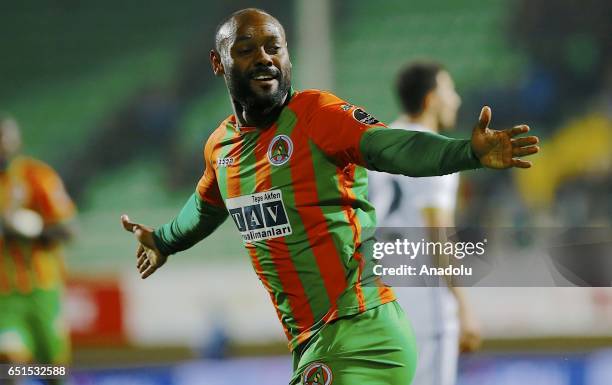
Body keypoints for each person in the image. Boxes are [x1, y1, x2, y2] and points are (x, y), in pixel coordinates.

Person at [121, 8, 539, 385]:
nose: (264, 57)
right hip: (313, 344)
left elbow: (392, 147)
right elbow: (205, 207)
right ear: (219, 63)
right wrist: (163, 241)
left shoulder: (316, 114)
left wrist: (467, 153)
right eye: (246, 49)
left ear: (288, 58)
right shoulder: (221, 148)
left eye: (274, 47)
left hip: (362, 334)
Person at [369, 61, 481, 385]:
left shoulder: (377, 146)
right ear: (432, 99)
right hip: (424, 305)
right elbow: (437, 234)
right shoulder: (434, 152)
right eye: (450, 90)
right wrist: (462, 305)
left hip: (382, 306)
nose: (456, 99)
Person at [0, 116, 76, 369]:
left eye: (4, 137)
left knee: (53, 370)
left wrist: (29, 229)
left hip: (43, 290)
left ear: (15, 141)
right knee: (9, 364)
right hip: (3, 298)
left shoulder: (36, 176)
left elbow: (68, 231)